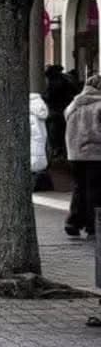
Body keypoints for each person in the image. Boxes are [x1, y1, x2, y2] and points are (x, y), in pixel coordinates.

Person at [65, 75, 101, 237]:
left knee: (79, 188)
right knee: (95, 189)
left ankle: (73, 222)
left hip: (74, 153)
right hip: (95, 153)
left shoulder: (73, 105)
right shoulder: (99, 105)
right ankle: (93, 225)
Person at [43, 65, 78, 161]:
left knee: (54, 131)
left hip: (57, 110)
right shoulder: (66, 78)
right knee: (63, 131)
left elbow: (51, 96)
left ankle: (57, 150)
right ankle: (62, 151)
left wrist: (43, 98)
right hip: (67, 109)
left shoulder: (55, 81)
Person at [29, 93, 52, 191]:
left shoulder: (28, 107)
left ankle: (33, 186)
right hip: (40, 138)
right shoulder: (41, 106)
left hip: (32, 138)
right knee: (39, 159)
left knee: (32, 161)